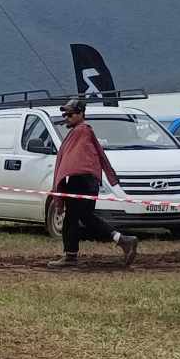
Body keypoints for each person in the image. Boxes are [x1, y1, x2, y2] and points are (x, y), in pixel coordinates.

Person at [46, 98, 139, 269]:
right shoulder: (80, 131)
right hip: (87, 182)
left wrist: (65, 180)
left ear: (81, 114)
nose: (66, 116)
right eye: (65, 114)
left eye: (70, 113)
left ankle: (70, 256)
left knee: (71, 220)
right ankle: (123, 240)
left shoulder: (82, 131)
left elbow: (77, 161)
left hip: (81, 181)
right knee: (86, 218)